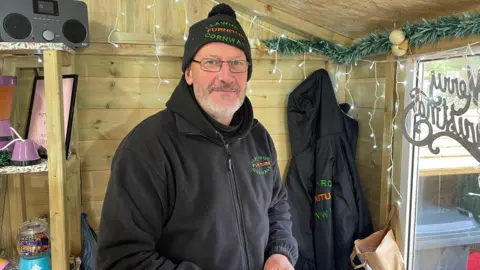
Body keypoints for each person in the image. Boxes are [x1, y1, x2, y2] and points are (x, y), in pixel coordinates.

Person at [96, 3, 298, 270]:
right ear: (189, 73)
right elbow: (122, 259)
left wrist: (280, 253)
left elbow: (277, 206)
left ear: (247, 73)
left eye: (237, 63)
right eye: (211, 62)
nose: (225, 76)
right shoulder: (147, 148)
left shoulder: (258, 137)